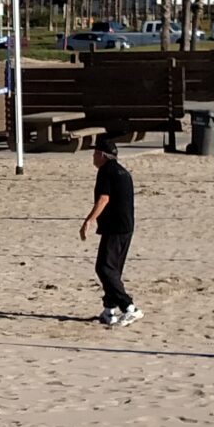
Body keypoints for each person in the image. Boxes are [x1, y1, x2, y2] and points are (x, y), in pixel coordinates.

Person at [78, 135, 140, 326]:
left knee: (104, 268)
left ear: (103, 156)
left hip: (115, 228)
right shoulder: (123, 172)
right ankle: (108, 310)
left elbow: (103, 199)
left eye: (95, 153)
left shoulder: (105, 172)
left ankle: (129, 307)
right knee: (113, 270)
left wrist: (89, 220)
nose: (93, 157)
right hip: (126, 227)